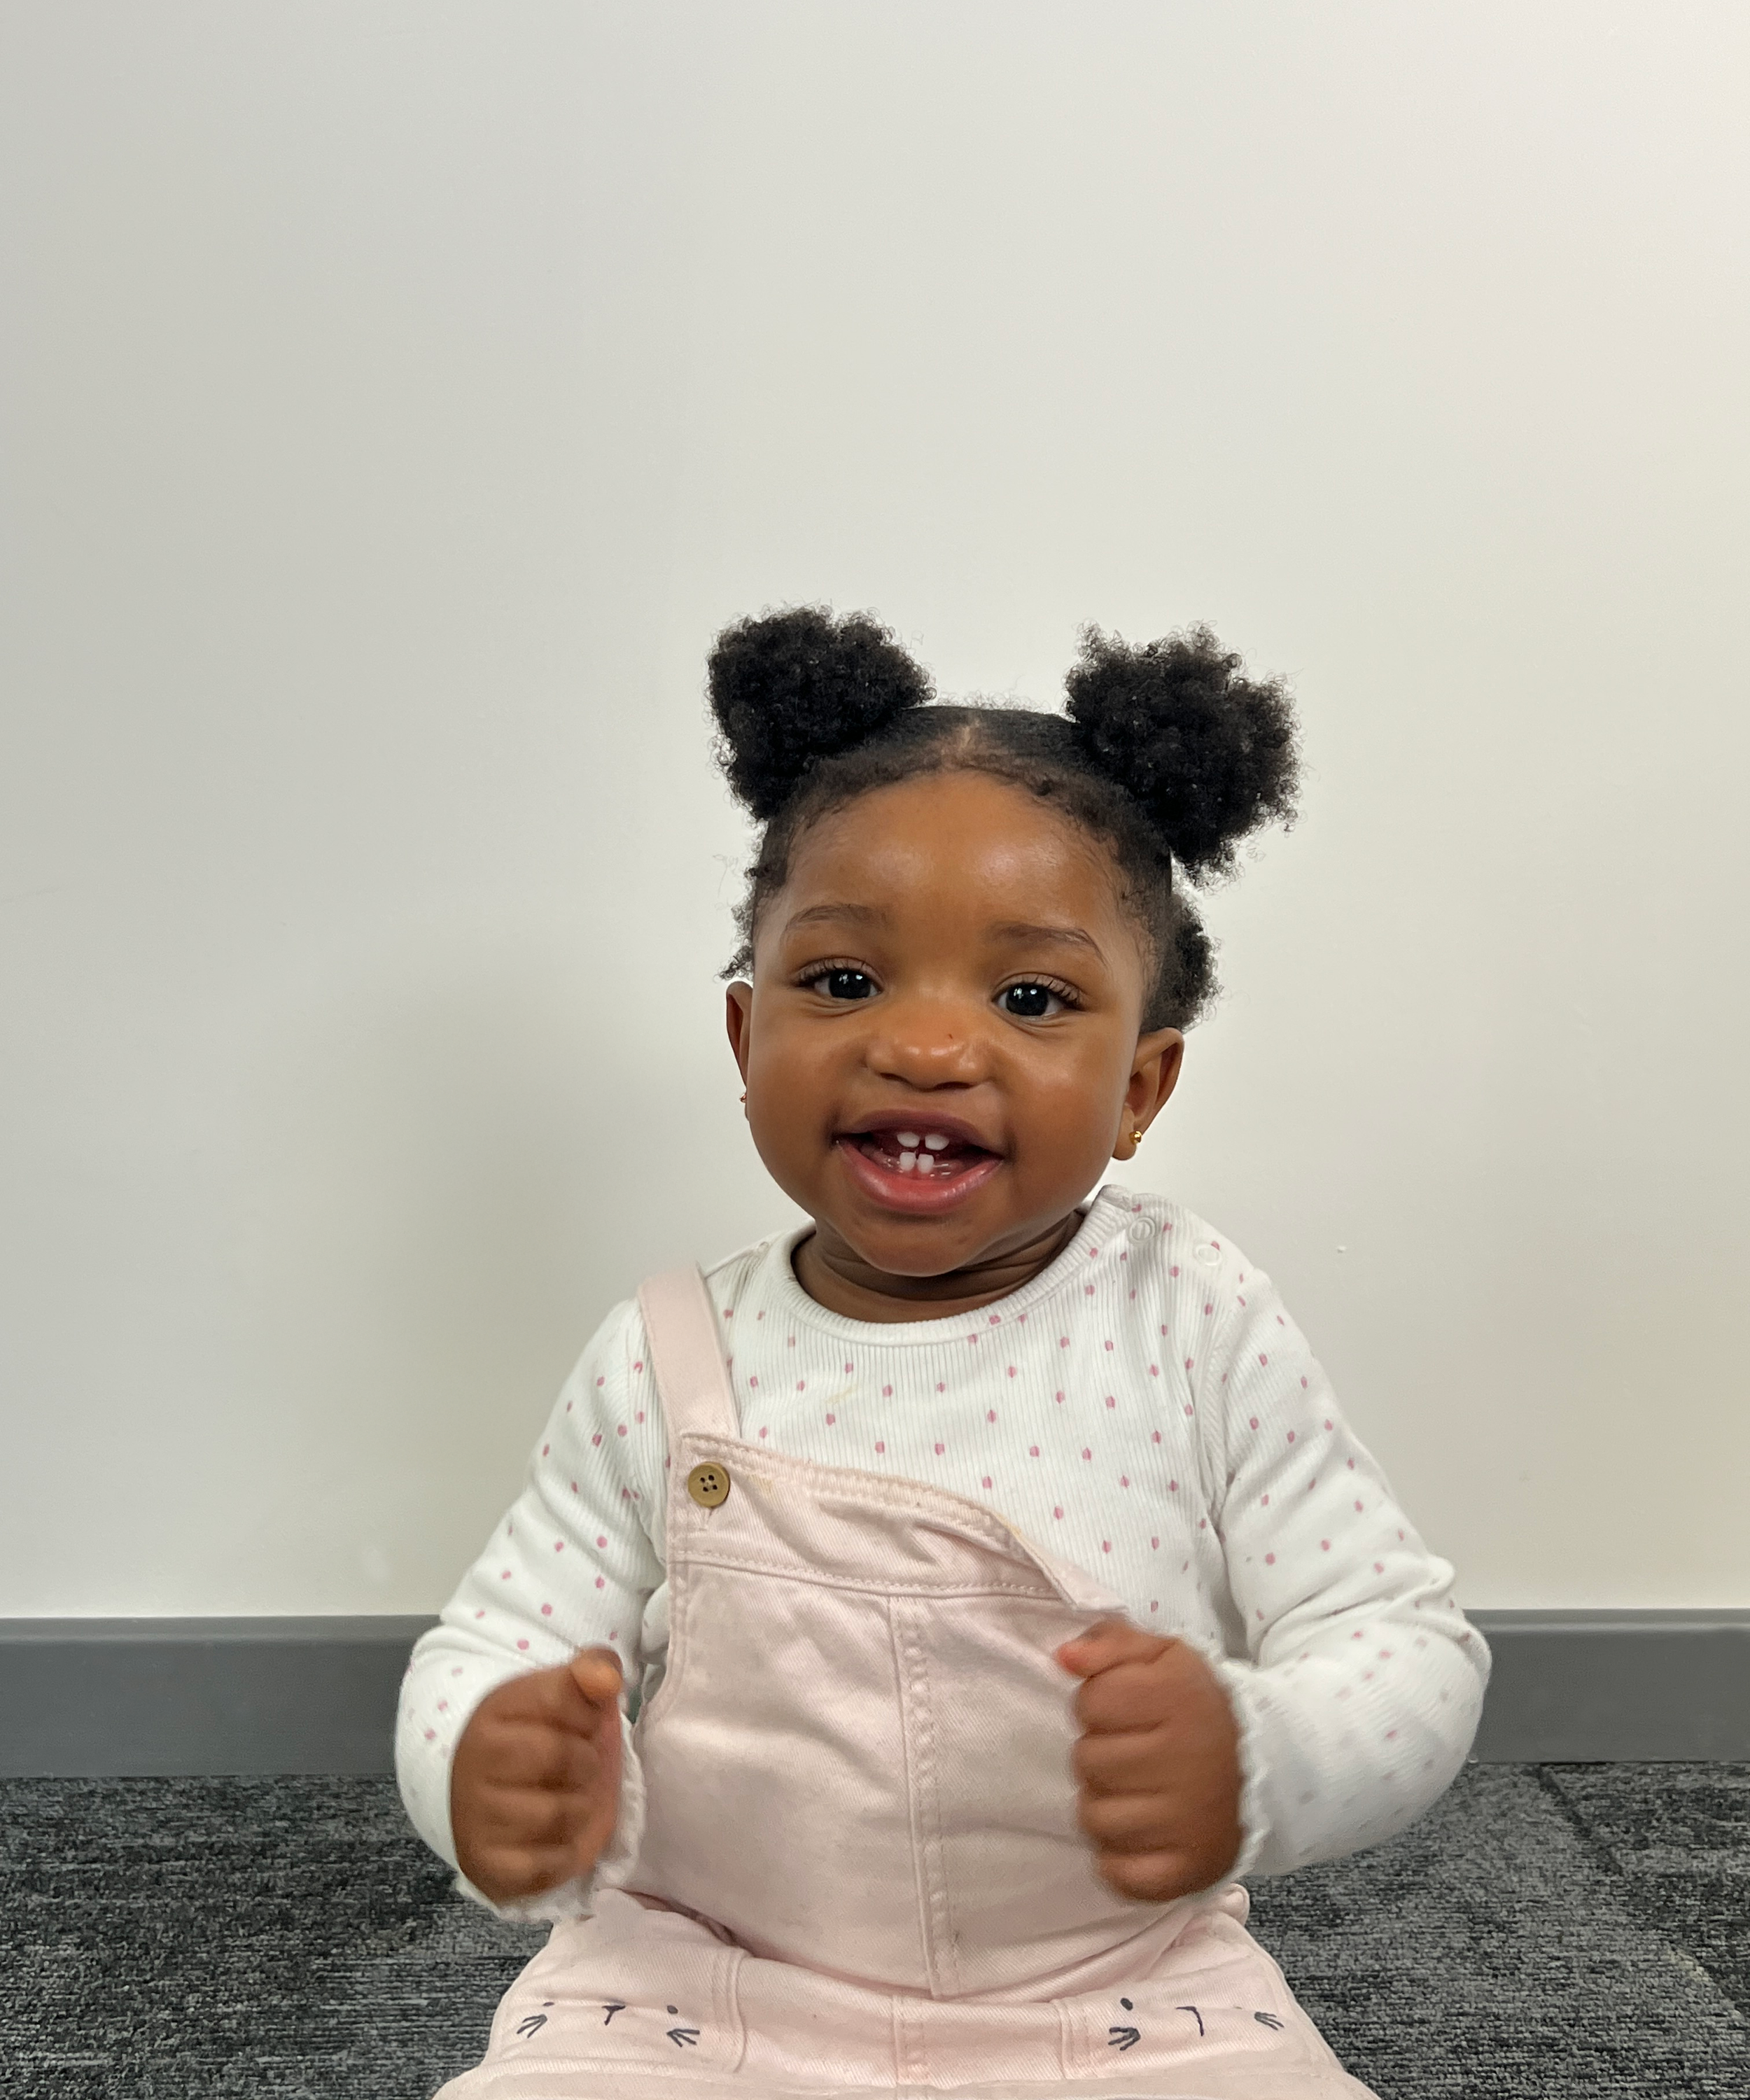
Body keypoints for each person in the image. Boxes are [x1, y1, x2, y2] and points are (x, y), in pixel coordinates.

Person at [398, 607, 1489, 2100]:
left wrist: (1259, 1757)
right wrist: (478, 1763)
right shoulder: (668, 1351)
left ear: (1141, 1087)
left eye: (1029, 998)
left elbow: (1406, 1646)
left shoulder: (1190, 1319)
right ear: (743, 1037)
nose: (922, 1048)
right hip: (701, 1983)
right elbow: (494, 1642)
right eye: (843, 982)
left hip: (1114, 1995)